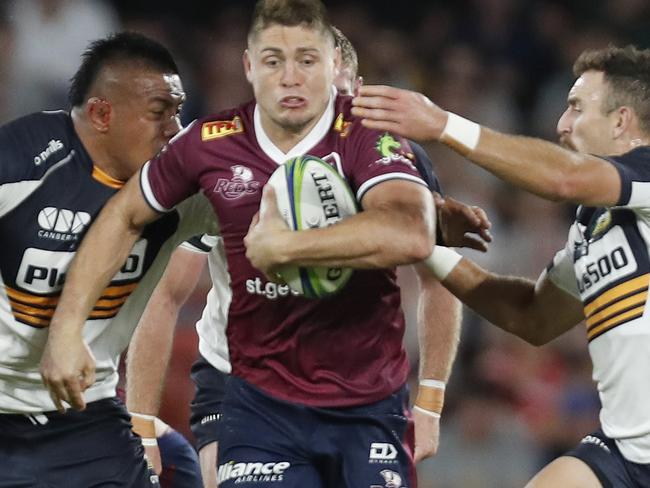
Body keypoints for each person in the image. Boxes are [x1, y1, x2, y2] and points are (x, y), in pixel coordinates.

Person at [38, 0, 464, 485]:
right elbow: (158, 280)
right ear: (250, 67)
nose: (294, 81)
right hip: (243, 387)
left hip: (366, 398)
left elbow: (433, 264)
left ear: (341, 75)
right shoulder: (210, 151)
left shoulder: (383, 145)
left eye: (310, 65)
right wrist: (131, 414)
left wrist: (430, 397)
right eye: (275, 63)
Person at [353, 44, 650, 487]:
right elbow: (531, 316)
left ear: (621, 120)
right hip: (627, 451)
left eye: (575, 108)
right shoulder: (593, 221)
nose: (561, 125)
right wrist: (424, 246)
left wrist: (443, 124)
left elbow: (562, 177)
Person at [0, 31, 218, 487]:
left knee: (179, 463)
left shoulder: (176, 193)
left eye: (178, 113)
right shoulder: (17, 165)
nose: (173, 132)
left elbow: (271, 210)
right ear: (102, 113)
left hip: (85, 414)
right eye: (159, 114)